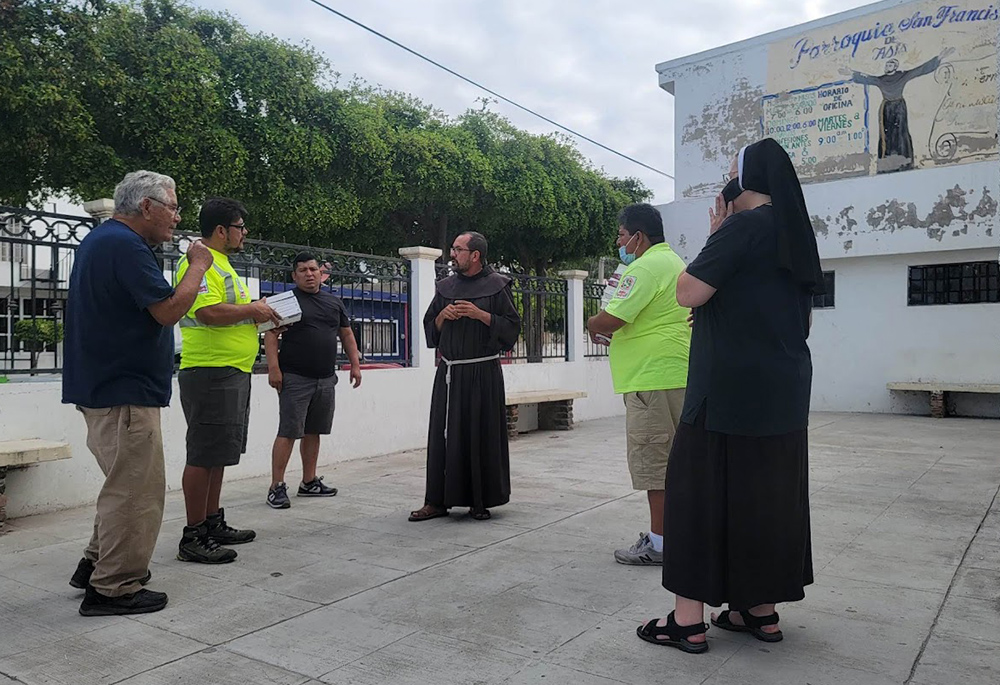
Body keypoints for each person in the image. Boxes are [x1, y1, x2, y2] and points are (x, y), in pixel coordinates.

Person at [637, 138, 822, 654]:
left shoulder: (741, 227)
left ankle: (687, 621)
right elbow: (799, 319)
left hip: (725, 390)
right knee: (764, 497)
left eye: (731, 171)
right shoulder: (795, 232)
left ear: (746, 181)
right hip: (784, 391)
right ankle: (757, 611)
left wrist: (715, 235)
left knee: (696, 495)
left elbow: (687, 291)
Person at [63, 171, 214, 615]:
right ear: (146, 206)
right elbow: (168, 311)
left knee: (123, 486)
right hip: (124, 391)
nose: (177, 216)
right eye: (172, 207)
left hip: (106, 386)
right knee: (136, 492)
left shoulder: (104, 240)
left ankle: (94, 566)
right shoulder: (126, 246)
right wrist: (198, 266)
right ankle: (114, 587)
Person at [175, 197, 280, 564]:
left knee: (218, 452)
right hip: (210, 371)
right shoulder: (199, 263)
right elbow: (206, 312)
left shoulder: (222, 265)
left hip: (230, 370)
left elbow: (229, 311)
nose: (244, 233)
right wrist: (253, 309)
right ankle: (193, 535)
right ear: (221, 230)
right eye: (239, 226)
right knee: (203, 453)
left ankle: (212, 521)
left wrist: (259, 313)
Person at [586, 203, 690, 566]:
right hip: (674, 374)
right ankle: (678, 536)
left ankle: (660, 544)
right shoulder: (674, 262)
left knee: (654, 465)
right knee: (676, 463)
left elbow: (611, 319)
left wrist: (591, 322)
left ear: (637, 237)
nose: (619, 241)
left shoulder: (643, 267)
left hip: (652, 380)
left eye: (620, 234)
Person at [409, 231, 521, 522]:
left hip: (483, 371)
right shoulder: (445, 286)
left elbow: (511, 329)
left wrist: (479, 314)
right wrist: (443, 315)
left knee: (480, 434)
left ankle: (479, 500)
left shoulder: (498, 286)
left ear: (475, 255)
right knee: (442, 436)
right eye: (453, 249)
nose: (452, 254)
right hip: (450, 371)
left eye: (458, 249)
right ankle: (436, 501)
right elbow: (430, 330)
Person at [264, 253, 362, 509]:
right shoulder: (286, 301)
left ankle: (309, 481)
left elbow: (346, 333)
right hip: (295, 378)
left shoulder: (333, 301)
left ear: (321, 272)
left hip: (325, 378)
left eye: (313, 269)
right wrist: (273, 369)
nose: (309, 274)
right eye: (302, 270)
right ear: (294, 276)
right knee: (288, 431)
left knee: (313, 431)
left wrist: (355, 364)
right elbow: (271, 335)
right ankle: (276, 486)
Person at [840, 48, 954, 173]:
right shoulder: (881, 79)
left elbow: (919, 70)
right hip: (887, 108)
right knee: (886, 136)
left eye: (890, 64)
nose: (887, 66)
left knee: (901, 134)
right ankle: (886, 164)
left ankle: (904, 162)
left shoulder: (902, 75)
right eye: (887, 64)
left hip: (899, 107)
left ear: (895, 67)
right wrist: (851, 73)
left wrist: (939, 58)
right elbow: (867, 78)